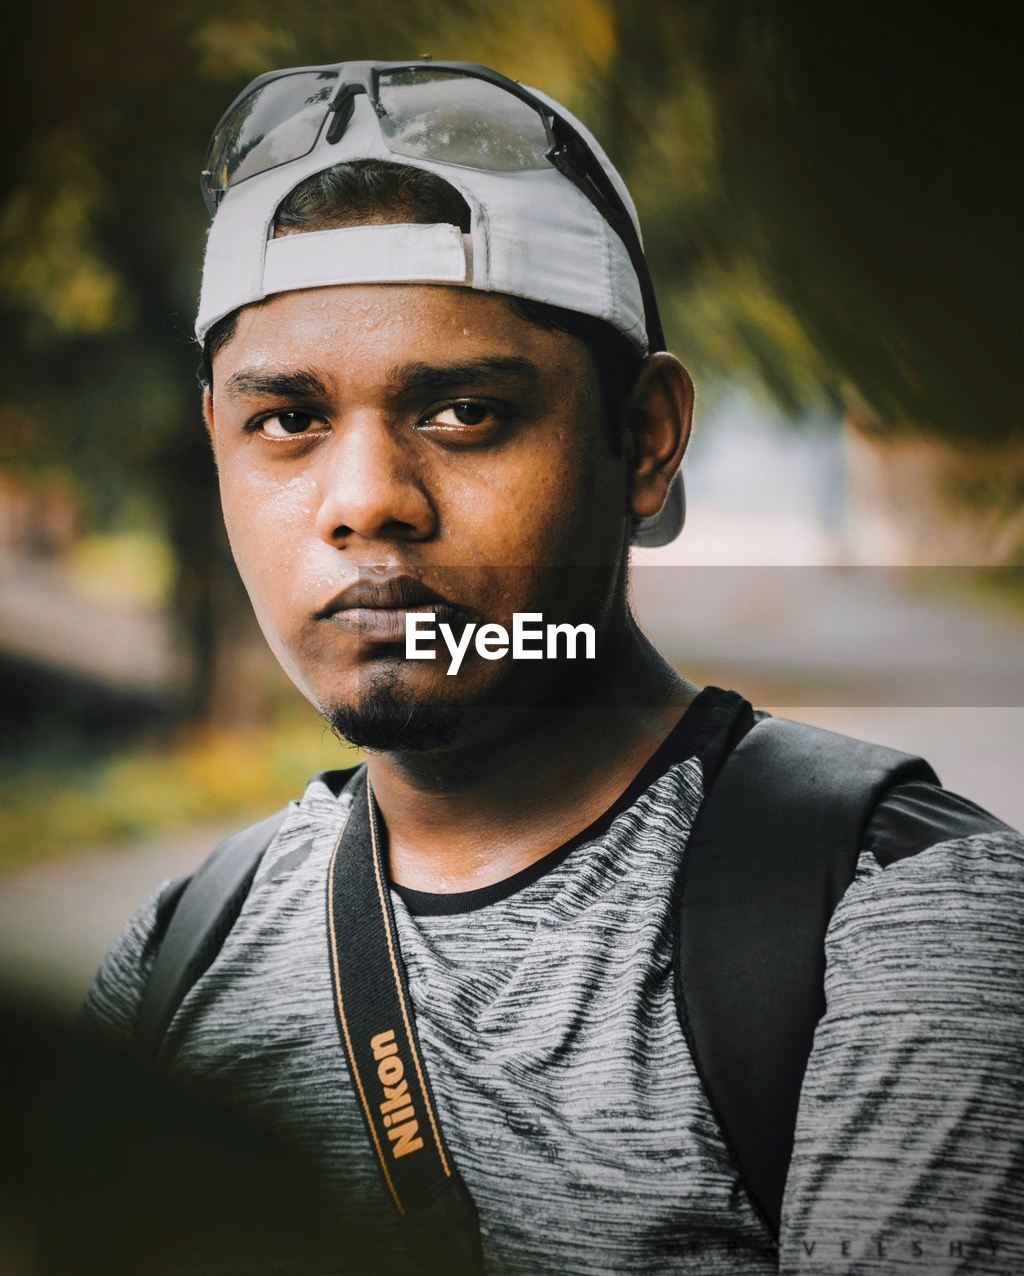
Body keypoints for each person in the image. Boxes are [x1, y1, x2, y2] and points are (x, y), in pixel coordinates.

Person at [82, 61, 1024, 1274]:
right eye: (287, 421)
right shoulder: (178, 952)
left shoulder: (902, 916)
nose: (365, 501)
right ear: (216, 441)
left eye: (464, 411)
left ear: (643, 440)